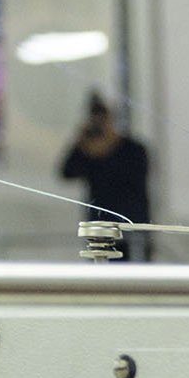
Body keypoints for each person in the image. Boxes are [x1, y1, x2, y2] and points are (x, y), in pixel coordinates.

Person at [57, 94, 152, 260]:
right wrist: (81, 144)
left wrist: (107, 147)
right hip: (99, 230)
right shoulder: (87, 150)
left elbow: (133, 178)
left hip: (130, 229)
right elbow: (66, 172)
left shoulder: (133, 150)